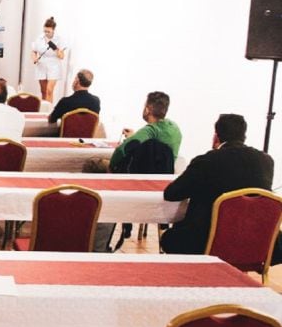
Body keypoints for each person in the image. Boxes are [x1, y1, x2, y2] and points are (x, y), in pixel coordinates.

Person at [159, 114, 273, 255]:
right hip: (255, 243)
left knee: (170, 239)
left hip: (207, 241)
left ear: (216, 136)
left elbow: (172, 193)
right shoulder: (266, 161)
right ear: (244, 135)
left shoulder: (207, 161)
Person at [108, 91, 181, 173]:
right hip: (165, 176)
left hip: (140, 175)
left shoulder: (150, 130)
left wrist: (110, 167)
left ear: (147, 110)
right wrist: (134, 136)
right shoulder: (175, 129)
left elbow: (121, 151)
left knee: (95, 163)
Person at [30, 16, 67, 103]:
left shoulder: (59, 39)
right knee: (43, 91)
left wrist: (53, 46)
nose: (46, 33)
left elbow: (61, 56)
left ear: (53, 30)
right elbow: (33, 51)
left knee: (49, 90)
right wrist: (34, 58)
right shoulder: (39, 38)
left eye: (48, 31)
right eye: (45, 31)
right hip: (41, 65)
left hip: (54, 66)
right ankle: (44, 110)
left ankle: (49, 112)